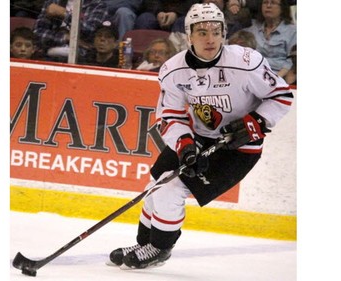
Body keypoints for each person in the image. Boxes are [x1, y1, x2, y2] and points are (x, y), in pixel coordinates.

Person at [107, 2, 293, 269]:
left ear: (224, 32)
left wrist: (255, 123)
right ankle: (145, 242)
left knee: (170, 188)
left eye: (216, 31)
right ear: (189, 35)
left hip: (238, 150)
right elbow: (170, 115)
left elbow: (281, 96)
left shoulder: (246, 62)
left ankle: (159, 248)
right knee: (154, 186)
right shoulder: (173, 70)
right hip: (198, 137)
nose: (210, 38)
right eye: (202, 32)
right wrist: (184, 145)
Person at [33, 0, 109, 63]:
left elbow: (91, 31)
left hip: (81, 58)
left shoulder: (97, 5)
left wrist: (65, 14)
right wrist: (65, 37)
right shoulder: (53, 2)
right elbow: (37, 33)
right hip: (49, 56)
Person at [243, 0, 296, 78]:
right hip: (254, 75)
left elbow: (291, 61)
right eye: (265, 2)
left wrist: (275, 79)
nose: (268, 6)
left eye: (273, 3)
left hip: (280, 76)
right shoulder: (253, 29)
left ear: (282, 8)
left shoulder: (292, 31)